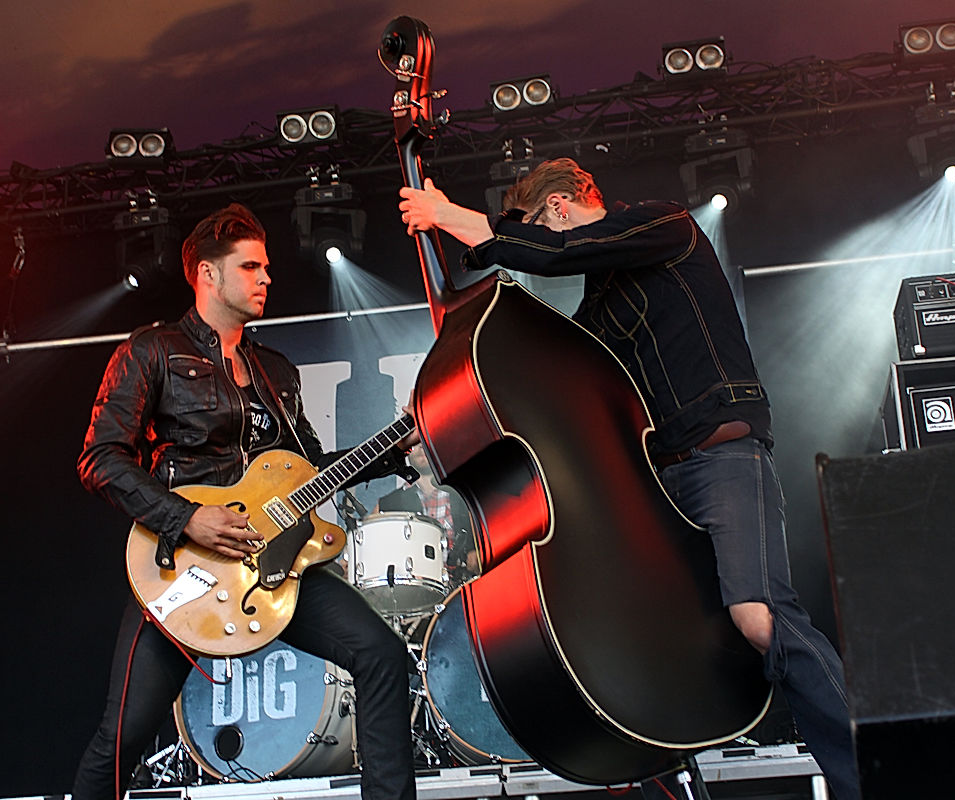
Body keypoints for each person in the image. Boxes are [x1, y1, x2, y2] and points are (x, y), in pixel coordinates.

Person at [397, 159, 861, 799]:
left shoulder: (661, 225)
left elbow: (559, 254)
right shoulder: (598, 309)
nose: (534, 241)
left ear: (558, 207)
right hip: (657, 488)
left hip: (722, 456)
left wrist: (448, 216)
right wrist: (433, 412)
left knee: (759, 616)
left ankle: (879, 768)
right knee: (654, 638)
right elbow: (541, 386)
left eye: (532, 227)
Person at [72, 203, 418, 800]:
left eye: (266, 267)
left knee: (383, 655)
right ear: (208, 275)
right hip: (185, 569)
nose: (266, 279)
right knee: (121, 738)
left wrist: (397, 441)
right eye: (251, 267)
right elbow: (100, 459)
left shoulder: (274, 371)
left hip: (274, 564)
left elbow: (313, 470)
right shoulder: (152, 351)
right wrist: (188, 519)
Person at [376, 446, 479, 586]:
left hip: (461, 588)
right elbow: (363, 540)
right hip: (410, 591)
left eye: (425, 442)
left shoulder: (465, 494)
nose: (420, 448)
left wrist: (477, 552)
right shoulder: (388, 503)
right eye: (414, 444)